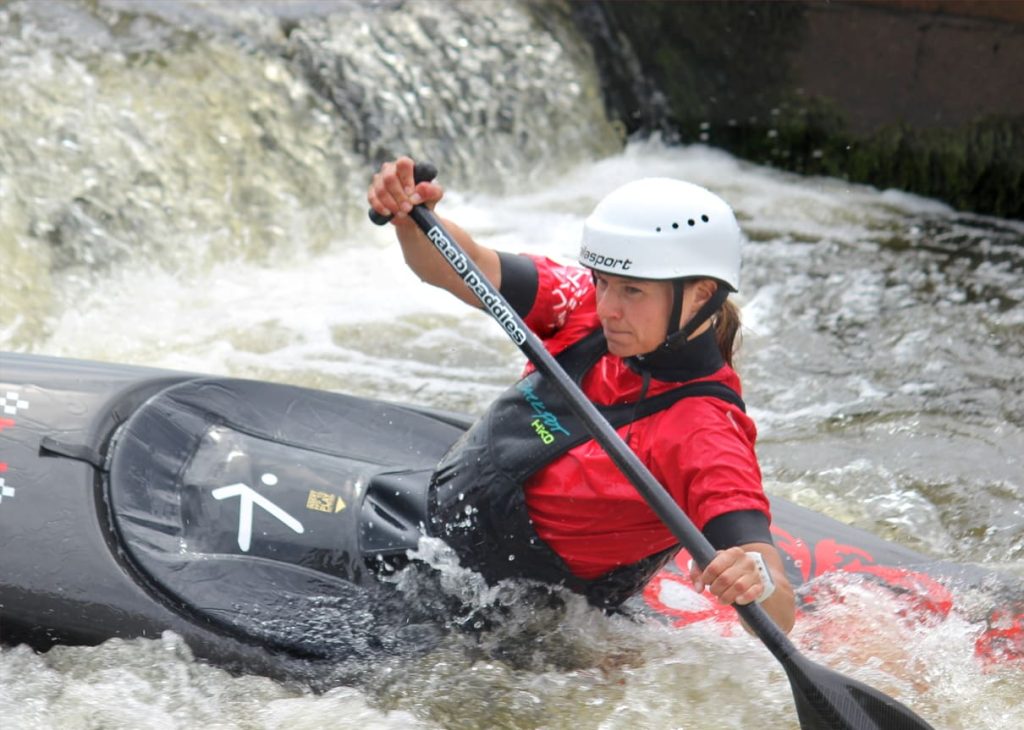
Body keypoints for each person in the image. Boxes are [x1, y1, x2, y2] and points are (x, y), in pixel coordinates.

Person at [368, 157, 795, 632]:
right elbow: (462, 267)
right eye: (603, 281)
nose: (607, 308)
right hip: (429, 543)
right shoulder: (583, 307)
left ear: (701, 294)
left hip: (517, 629)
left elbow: (774, 599)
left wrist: (753, 578)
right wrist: (410, 221)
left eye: (632, 291)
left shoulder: (703, 431)